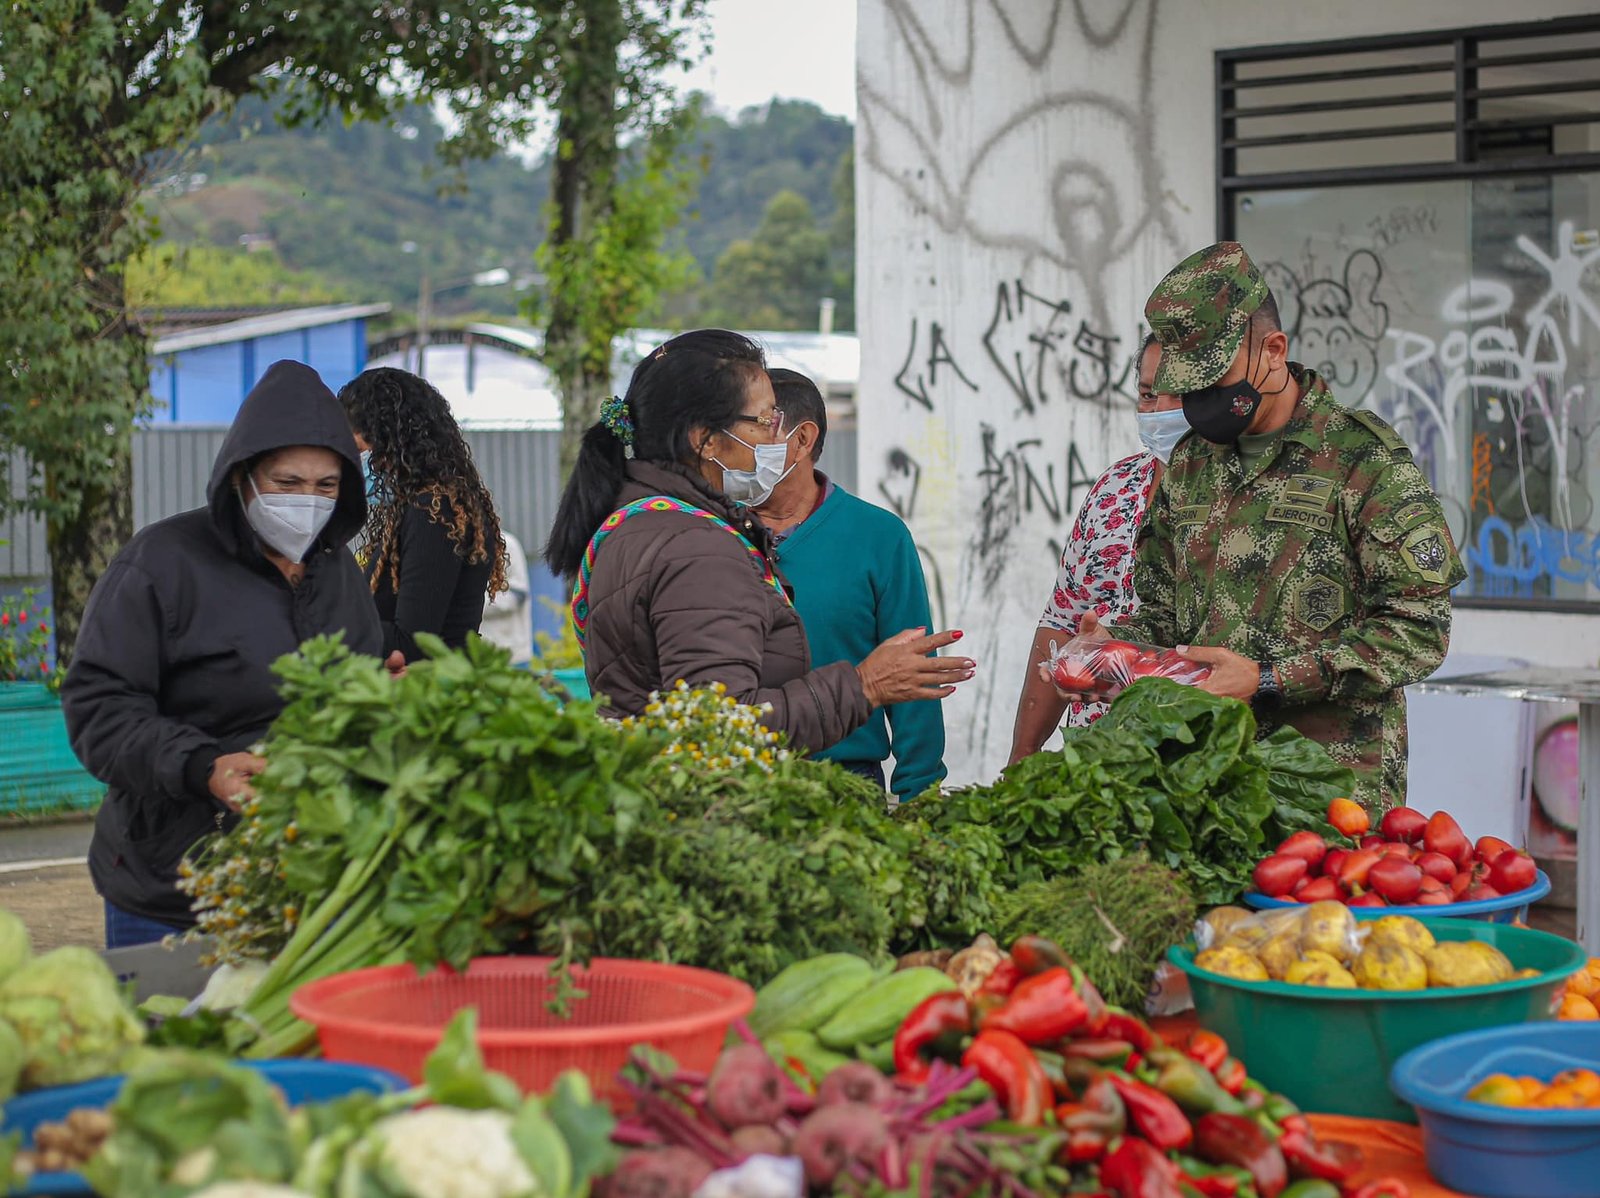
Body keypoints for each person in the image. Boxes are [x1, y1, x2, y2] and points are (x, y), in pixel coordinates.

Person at [1075, 241, 1464, 811]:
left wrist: (1270, 679)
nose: (1197, 403)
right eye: (1188, 385)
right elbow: (1165, 614)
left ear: (1274, 351)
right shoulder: (1188, 465)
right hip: (1207, 780)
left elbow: (1419, 630)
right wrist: (1115, 650)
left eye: (1214, 380)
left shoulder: (1363, 461)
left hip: (1329, 792)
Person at [62, 361, 382, 947]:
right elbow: (100, 706)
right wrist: (202, 765)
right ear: (243, 479)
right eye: (287, 483)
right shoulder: (161, 564)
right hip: (172, 886)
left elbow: (356, 690)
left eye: (326, 486)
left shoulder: (341, 574)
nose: (308, 502)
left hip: (309, 883)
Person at [543, 328, 974, 752]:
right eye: (765, 421)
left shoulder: (635, 521)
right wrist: (864, 686)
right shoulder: (698, 549)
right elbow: (719, 731)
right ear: (706, 440)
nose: (773, 438)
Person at [755, 368, 946, 799]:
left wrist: (921, 797)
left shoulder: (878, 536)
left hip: (846, 784)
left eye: (754, 431)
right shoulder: (712, 534)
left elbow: (912, 671)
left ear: (802, 440)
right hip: (733, 775)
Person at [1007, 334, 1188, 765]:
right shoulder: (1115, 488)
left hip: (1185, 757)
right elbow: (1062, 620)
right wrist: (1022, 756)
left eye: (1177, 395)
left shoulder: (1238, 500)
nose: (1158, 410)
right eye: (1147, 394)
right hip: (1094, 757)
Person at [339, 367, 508, 664]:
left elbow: (413, 643)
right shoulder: (421, 506)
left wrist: (328, 621)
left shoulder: (435, 510)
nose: (360, 464)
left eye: (358, 449)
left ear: (390, 440)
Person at [479, 528, 534, 666]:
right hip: (482, 653)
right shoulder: (466, 544)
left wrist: (475, 604)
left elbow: (518, 594)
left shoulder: (507, 544)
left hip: (512, 652)